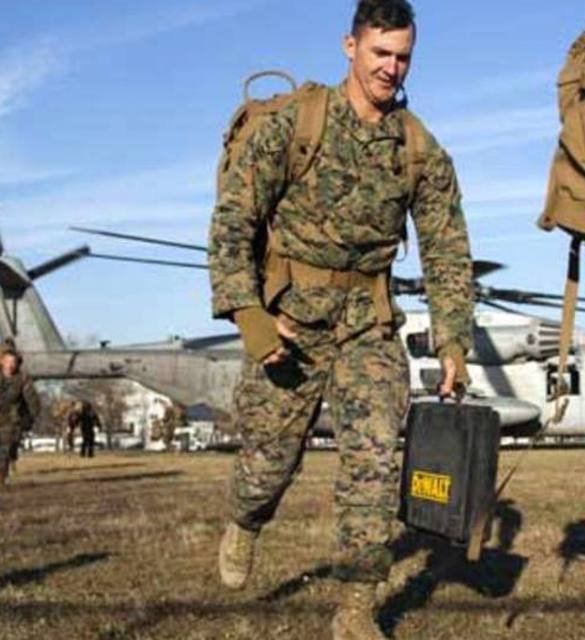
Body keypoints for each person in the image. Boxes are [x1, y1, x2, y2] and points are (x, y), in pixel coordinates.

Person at [207, 1, 474, 637]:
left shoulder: (417, 147)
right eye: (380, 52)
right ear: (349, 47)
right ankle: (246, 519)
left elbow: (446, 246)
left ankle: (355, 607)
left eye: (403, 55)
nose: (392, 67)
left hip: (368, 326)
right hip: (290, 323)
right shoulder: (296, 123)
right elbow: (234, 218)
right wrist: (248, 313)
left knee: (375, 465)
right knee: (268, 463)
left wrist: (454, 339)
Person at [0, 343, 39, 485]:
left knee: (4, 450)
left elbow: (33, 400)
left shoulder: (23, 379)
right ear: (1, 361)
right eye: (8, 361)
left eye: (14, 362)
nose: (11, 365)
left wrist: (30, 418)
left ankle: (1, 478)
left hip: (11, 420)